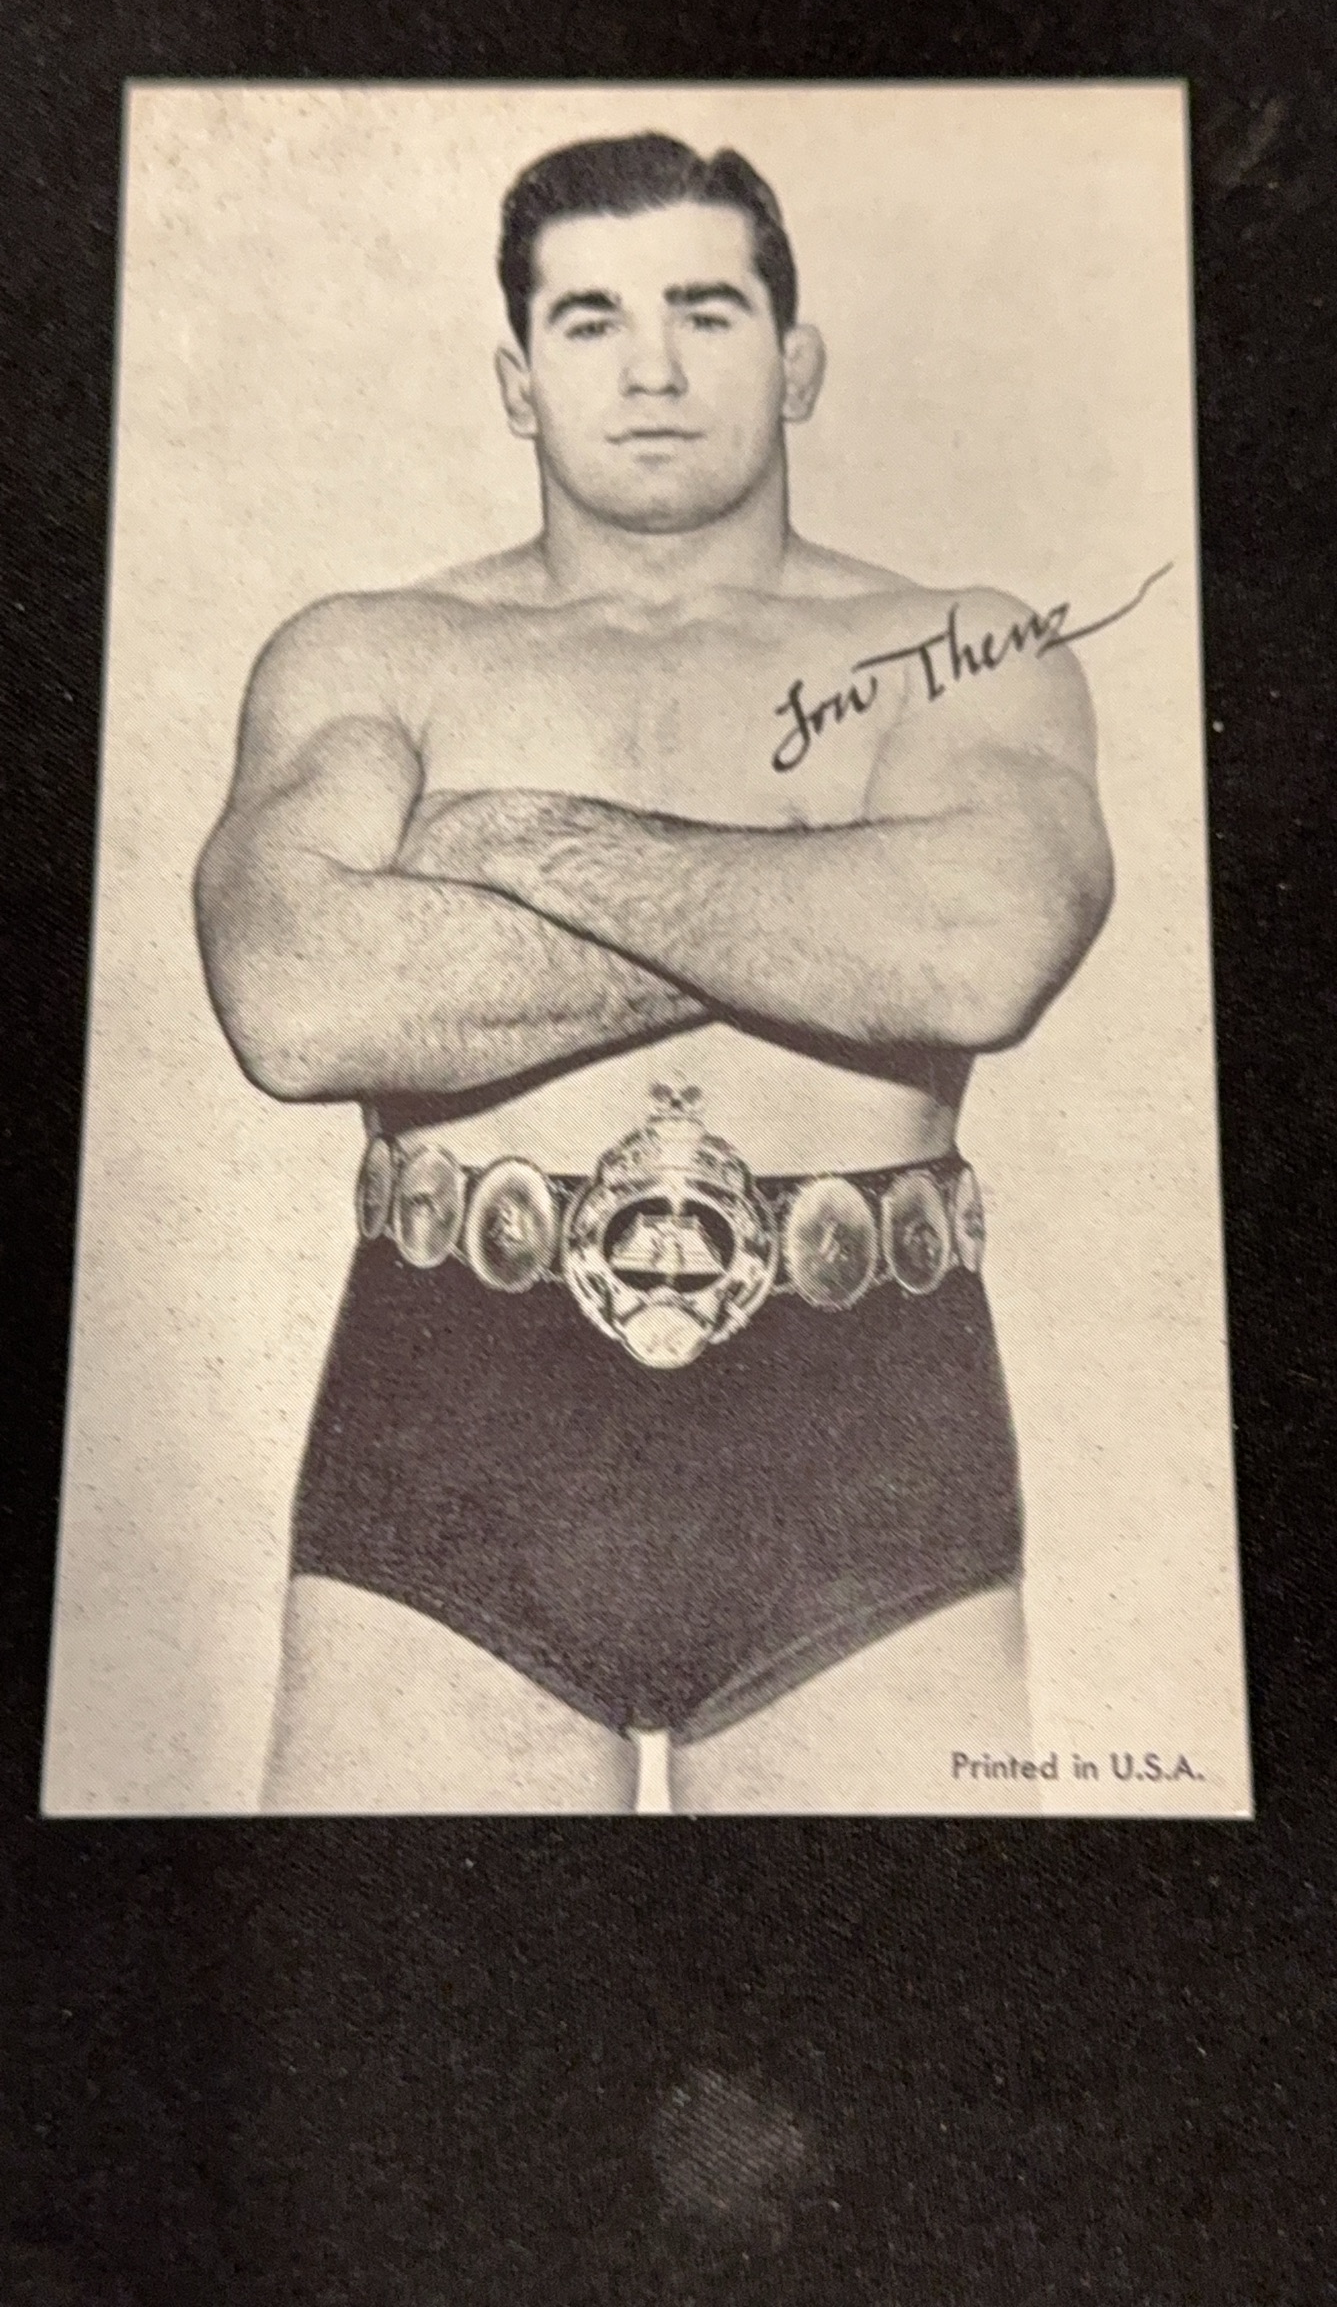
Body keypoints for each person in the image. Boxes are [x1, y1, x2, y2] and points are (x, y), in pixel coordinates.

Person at [195, 132, 1112, 1813]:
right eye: (590, 320)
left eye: (705, 310)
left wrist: (504, 837)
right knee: (399, 1986)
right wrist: (826, 896)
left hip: (860, 1449)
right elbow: (296, 999)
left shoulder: (963, 648)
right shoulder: (372, 650)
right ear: (516, 380)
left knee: (900, 1984)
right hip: (450, 1440)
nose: (654, 370)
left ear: (797, 360)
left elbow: (979, 953)